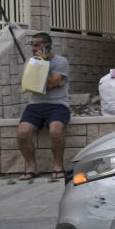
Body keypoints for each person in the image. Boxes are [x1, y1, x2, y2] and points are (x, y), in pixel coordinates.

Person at [17, 32, 71, 182]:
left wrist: (44, 65)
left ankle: (58, 167)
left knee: (55, 131)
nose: (33, 49)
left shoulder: (61, 62)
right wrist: (43, 74)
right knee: (22, 133)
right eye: (32, 45)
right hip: (35, 105)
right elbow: (32, 85)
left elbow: (50, 84)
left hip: (58, 104)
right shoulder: (30, 61)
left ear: (47, 46)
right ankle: (32, 168)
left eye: (37, 45)